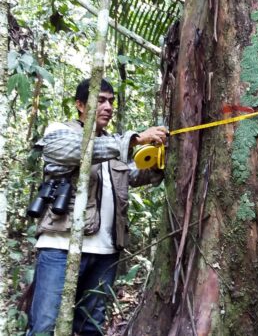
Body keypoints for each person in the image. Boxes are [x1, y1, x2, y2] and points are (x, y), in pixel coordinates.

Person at [26, 78, 167, 336]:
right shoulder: (60, 131)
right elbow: (73, 151)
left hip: (105, 250)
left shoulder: (113, 144)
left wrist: (158, 159)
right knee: (45, 325)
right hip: (61, 245)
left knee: (91, 326)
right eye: (100, 100)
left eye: (111, 101)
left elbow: (133, 175)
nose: (108, 107)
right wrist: (133, 140)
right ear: (80, 105)